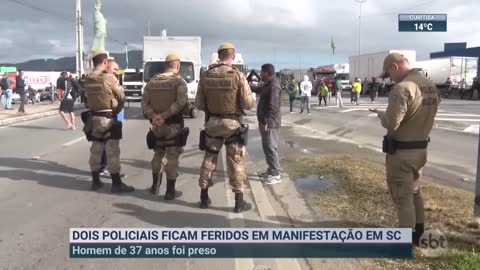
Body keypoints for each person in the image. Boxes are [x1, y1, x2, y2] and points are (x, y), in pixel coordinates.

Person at [372, 53, 440, 246]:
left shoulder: (401, 89)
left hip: (401, 154)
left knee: (402, 197)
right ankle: (418, 232)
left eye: (388, 74)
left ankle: (404, 240)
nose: (389, 79)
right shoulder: (430, 85)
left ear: (395, 67)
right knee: (416, 191)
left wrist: (381, 115)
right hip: (420, 150)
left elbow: (392, 124)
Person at [195, 42, 255, 212]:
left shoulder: (206, 76)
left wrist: (212, 109)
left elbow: (199, 103)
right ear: (233, 56)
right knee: (236, 161)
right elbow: (248, 103)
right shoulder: (237, 75)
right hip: (232, 125)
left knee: (209, 159)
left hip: (212, 124)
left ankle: (204, 197)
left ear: (218, 55)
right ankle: (238, 202)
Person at [83, 51, 133, 193]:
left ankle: (95, 181)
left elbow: (86, 99)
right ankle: (116, 184)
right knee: (112, 151)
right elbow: (121, 96)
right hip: (108, 118)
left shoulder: (88, 79)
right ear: (105, 62)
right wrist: (117, 110)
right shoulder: (108, 78)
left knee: (96, 150)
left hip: (94, 119)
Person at [142, 53, 188, 200]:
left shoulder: (151, 82)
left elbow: (144, 104)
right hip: (173, 125)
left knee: (158, 154)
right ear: (178, 65)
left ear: (165, 65)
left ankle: (155, 186)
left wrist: (154, 117)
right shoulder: (179, 82)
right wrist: (165, 116)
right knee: (172, 157)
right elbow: (181, 103)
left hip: (156, 126)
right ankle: (170, 191)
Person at [251, 63, 282, 185]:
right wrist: (248, 86)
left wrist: (267, 122)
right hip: (265, 122)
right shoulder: (268, 84)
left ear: (267, 73)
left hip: (270, 123)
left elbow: (273, 106)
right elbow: (259, 89)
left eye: (261, 72)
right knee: (266, 147)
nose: (260, 74)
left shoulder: (274, 85)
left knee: (270, 147)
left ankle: (276, 174)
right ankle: (271, 170)